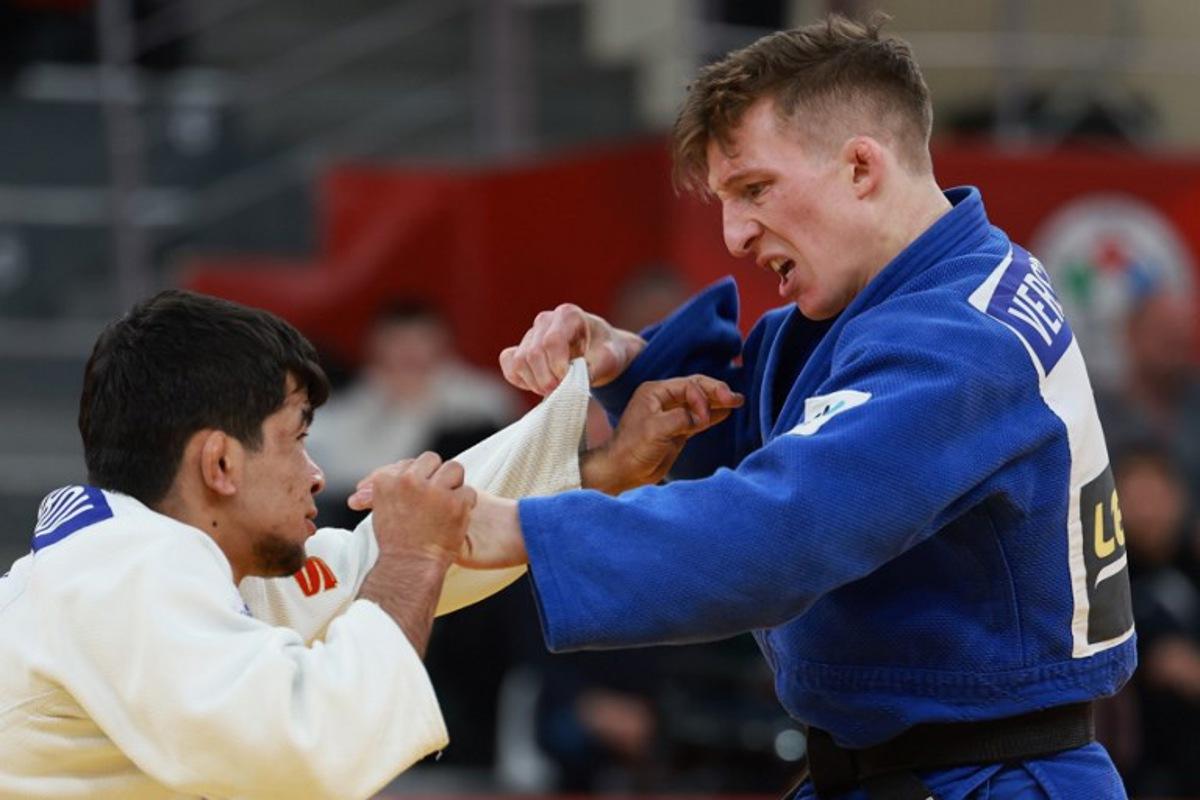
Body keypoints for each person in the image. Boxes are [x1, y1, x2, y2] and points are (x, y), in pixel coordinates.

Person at [460, 15, 1136, 800]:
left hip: (991, 777)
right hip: (904, 767)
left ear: (859, 168)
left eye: (754, 189)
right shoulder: (915, 296)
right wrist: (632, 364)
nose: (736, 233)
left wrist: (519, 528)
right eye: (723, 199)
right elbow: (773, 433)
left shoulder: (959, 340)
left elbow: (782, 528)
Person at [0, 290, 740, 799]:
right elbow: (307, 748)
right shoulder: (125, 574)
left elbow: (364, 564)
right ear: (220, 464)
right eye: (296, 442)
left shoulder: (171, 556)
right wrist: (414, 556)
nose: (316, 475)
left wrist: (600, 470)